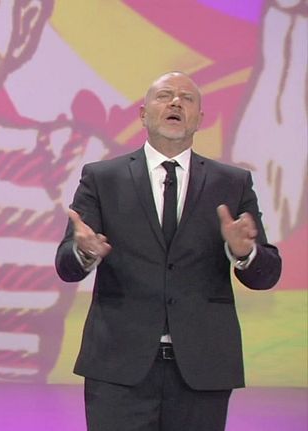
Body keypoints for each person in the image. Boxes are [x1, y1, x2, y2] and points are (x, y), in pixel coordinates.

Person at [55, 71, 282, 430]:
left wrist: (244, 253)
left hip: (202, 368)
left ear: (199, 119)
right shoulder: (102, 177)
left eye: (186, 98)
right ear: (143, 114)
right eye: (165, 96)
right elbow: (66, 265)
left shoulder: (232, 182)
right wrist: (85, 253)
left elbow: (266, 274)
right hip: (118, 367)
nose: (176, 102)